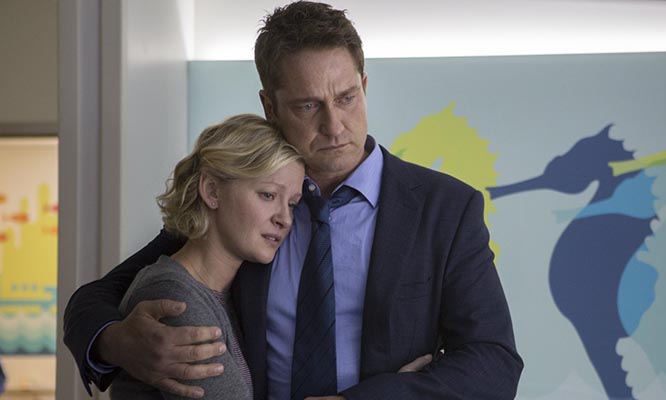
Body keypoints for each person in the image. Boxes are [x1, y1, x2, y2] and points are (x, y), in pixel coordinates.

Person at [64, 1, 523, 399]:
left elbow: (494, 361)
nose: (334, 126)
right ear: (270, 107)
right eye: (308, 106)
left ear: (365, 86)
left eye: (347, 98)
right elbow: (95, 297)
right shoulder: (243, 205)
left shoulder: (445, 209)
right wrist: (115, 343)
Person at [109, 114, 305, 399]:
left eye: (293, 204)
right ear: (212, 191)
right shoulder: (173, 295)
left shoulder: (227, 293)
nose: (284, 219)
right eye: (268, 195)